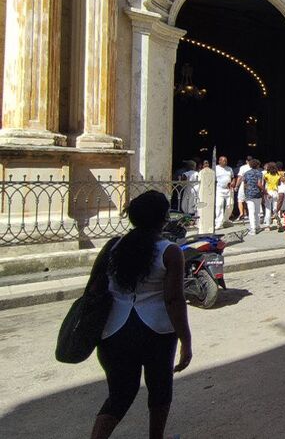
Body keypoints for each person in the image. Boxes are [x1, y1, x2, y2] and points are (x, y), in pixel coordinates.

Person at [90, 191, 192, 439]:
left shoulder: (114, 246)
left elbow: (96, 287)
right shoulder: (169, 251)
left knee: (119, 394)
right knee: (160, 390)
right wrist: (185, 341)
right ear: (164, 218)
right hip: (155, 332)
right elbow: (174, 300)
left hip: (114, 331)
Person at [242, 159, 264, 235]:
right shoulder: (259, 173)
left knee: (251, 212)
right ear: (257, 165)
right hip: (257, 194)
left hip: (249, 194)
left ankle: (253, 228)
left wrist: (245, 192)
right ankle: (258, 226)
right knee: (257, 211)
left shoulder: (246, 173)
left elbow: (245, 184)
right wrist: (264, 191)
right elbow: (259, 184)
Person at [213, 156, 235, 229]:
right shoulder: (215, 168)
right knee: (219, 205)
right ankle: (218, 223)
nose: (225, 162)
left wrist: (233, 182)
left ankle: (226, 220)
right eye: (223, 161)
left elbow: (233, 177)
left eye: (226, 161)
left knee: (230, 204)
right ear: (219, 161)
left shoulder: (229, 169)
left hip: (228, 189)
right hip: (219, 189)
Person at [261, 162, 282, 229]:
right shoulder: (278, 175)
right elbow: (279, 184)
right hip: (275, 192)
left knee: (268, 209)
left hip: (268, 192)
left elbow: (264, 185)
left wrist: (263, 193)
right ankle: (278, 223)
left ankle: (267, 225)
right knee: (276, 209)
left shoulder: (266, 175)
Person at [235, 156, 252, 222]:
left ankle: (242, 213)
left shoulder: (243, 167)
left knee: (240, 200)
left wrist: (236, 186)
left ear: (246, 161)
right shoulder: (253, 167)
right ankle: (246, 214)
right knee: (249, 200)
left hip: (244, 184)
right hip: (252, 185)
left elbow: (239, 178)